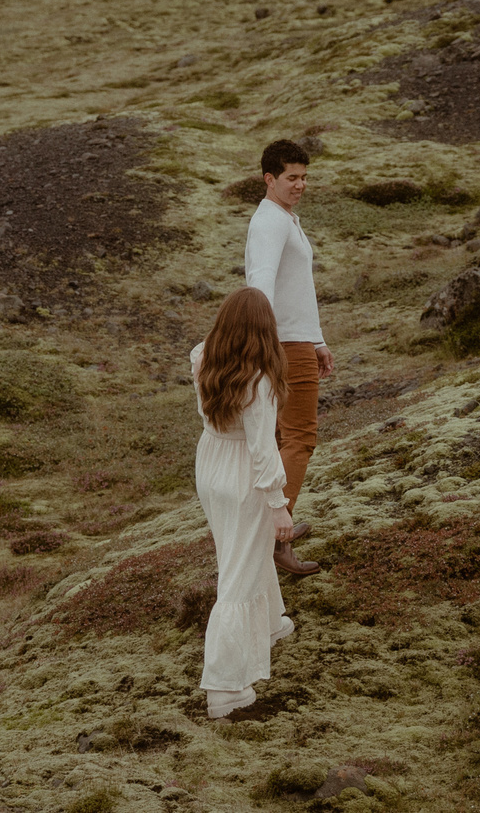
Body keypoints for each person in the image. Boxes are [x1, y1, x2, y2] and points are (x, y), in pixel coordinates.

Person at [191, 287, 297, 721]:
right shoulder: (259, 379)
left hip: (211, 463)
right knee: (235, 576)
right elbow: (261, 449)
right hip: (242, 475)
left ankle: (272, 624)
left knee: (239, 553)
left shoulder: (203, 356)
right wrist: (278, 502)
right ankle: (225, 687)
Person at [244, 137, 333, 576]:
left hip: (296, 340)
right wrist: (268, 343)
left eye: (304, 177)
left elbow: (296, 288)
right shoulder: (270, 224)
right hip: (282, 344)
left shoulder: (283, 217)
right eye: (291, 178)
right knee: (300, 437)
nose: (300, 184)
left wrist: (316, 339)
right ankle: (276, 540)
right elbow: (260, 283)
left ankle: (271, 528)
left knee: (282, 438)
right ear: (269, 179)